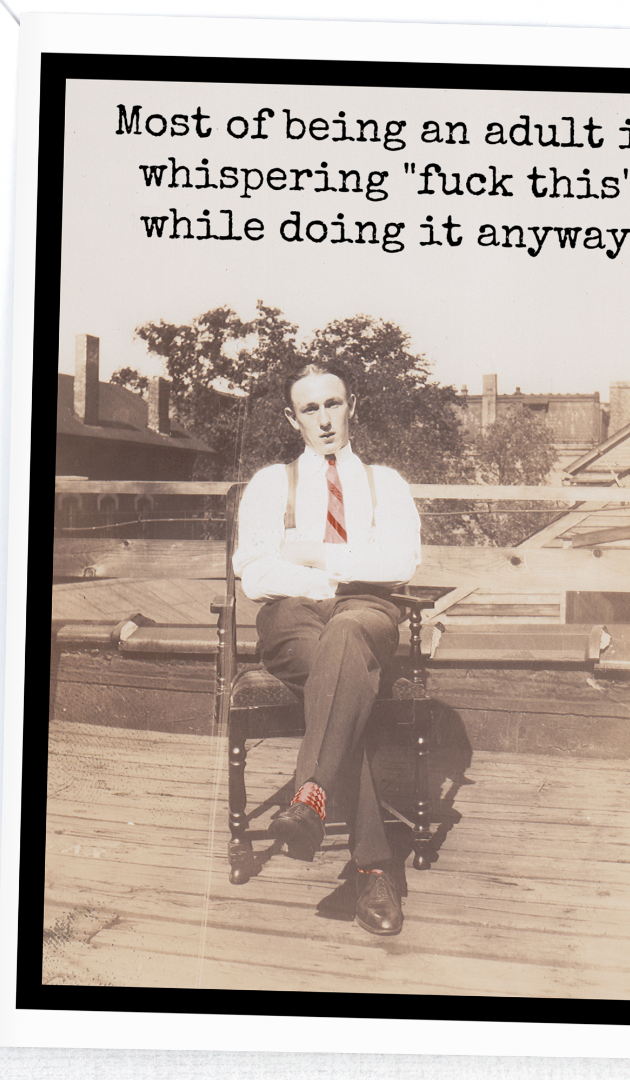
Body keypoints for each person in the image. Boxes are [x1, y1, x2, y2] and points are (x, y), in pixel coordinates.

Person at [232, 361, 421, 935]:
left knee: (344, 641)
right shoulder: (272, 483)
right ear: (294, 419)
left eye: (332, 404)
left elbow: (401, 563)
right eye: (310, 409)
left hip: (367, 615)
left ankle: (312, 796)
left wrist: (310, 554)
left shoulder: (384, 482)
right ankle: (373, 866)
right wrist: (332, 576)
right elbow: (254, 574)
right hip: (292, 616)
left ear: (351, 406)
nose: (324, 418)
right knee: (344, 684)